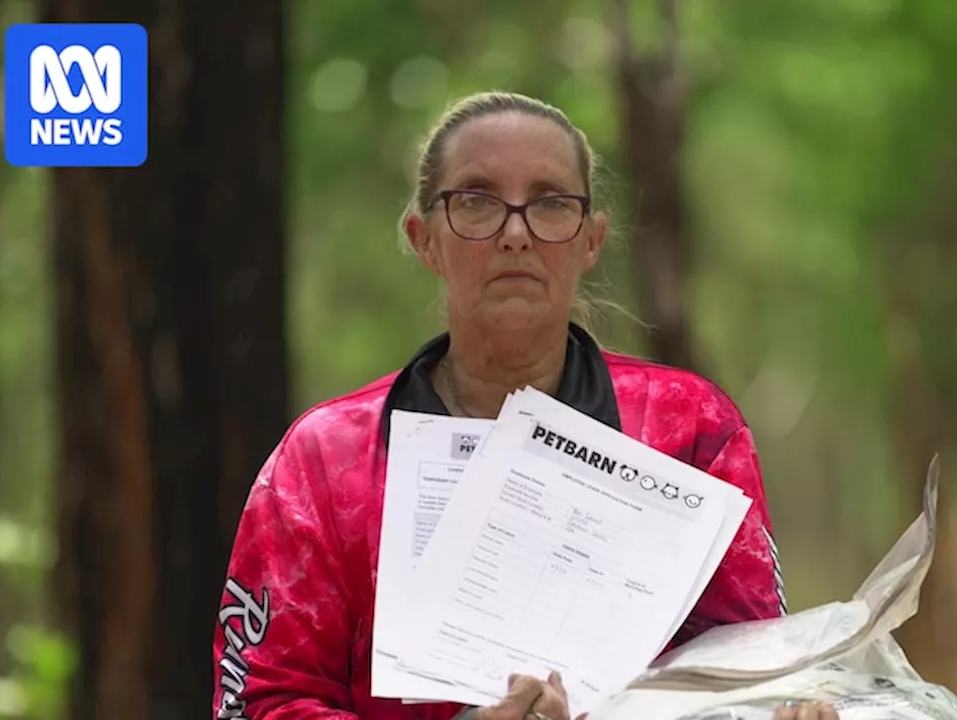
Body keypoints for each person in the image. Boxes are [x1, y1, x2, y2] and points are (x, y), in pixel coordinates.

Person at [211, 90, 837, 720]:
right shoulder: (327, 456)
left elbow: (748, 674)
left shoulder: (688, 426)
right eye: (477, 201)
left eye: (551, 203)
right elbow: (260, 701)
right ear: (423, 238)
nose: (515, 234)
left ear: (592, 240)